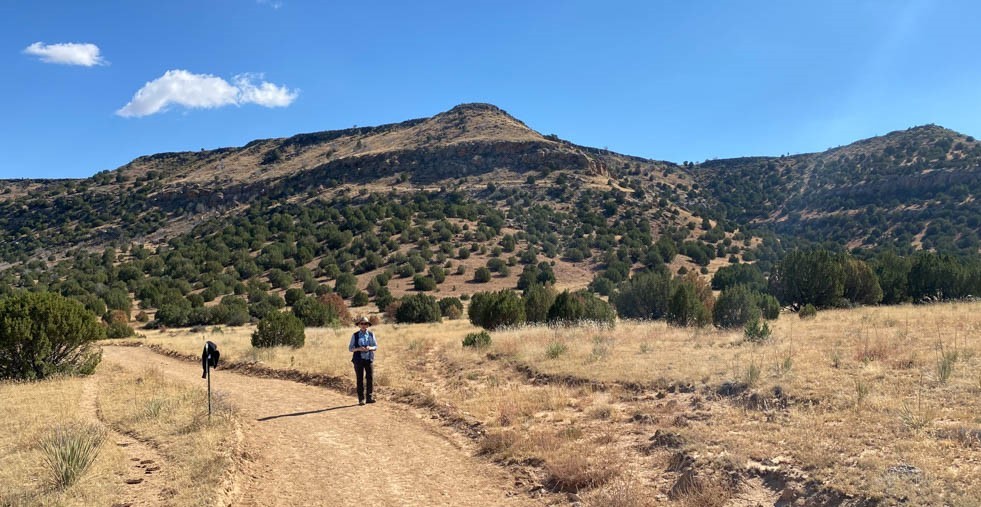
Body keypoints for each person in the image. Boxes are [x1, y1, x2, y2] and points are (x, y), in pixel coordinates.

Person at [348, 316, 378, 405]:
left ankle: (369, 397)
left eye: (365, 324)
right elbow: (350, 348)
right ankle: (361, 399)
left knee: (370, 378)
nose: (364, 325)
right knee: (359, 379)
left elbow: (375, 346)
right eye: (362, 323)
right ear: (359, 325)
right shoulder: (355, 335)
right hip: (358, 360)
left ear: (368, 325)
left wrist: (370, 348)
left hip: (369, 359)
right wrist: (358, 349)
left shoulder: (371, 334)